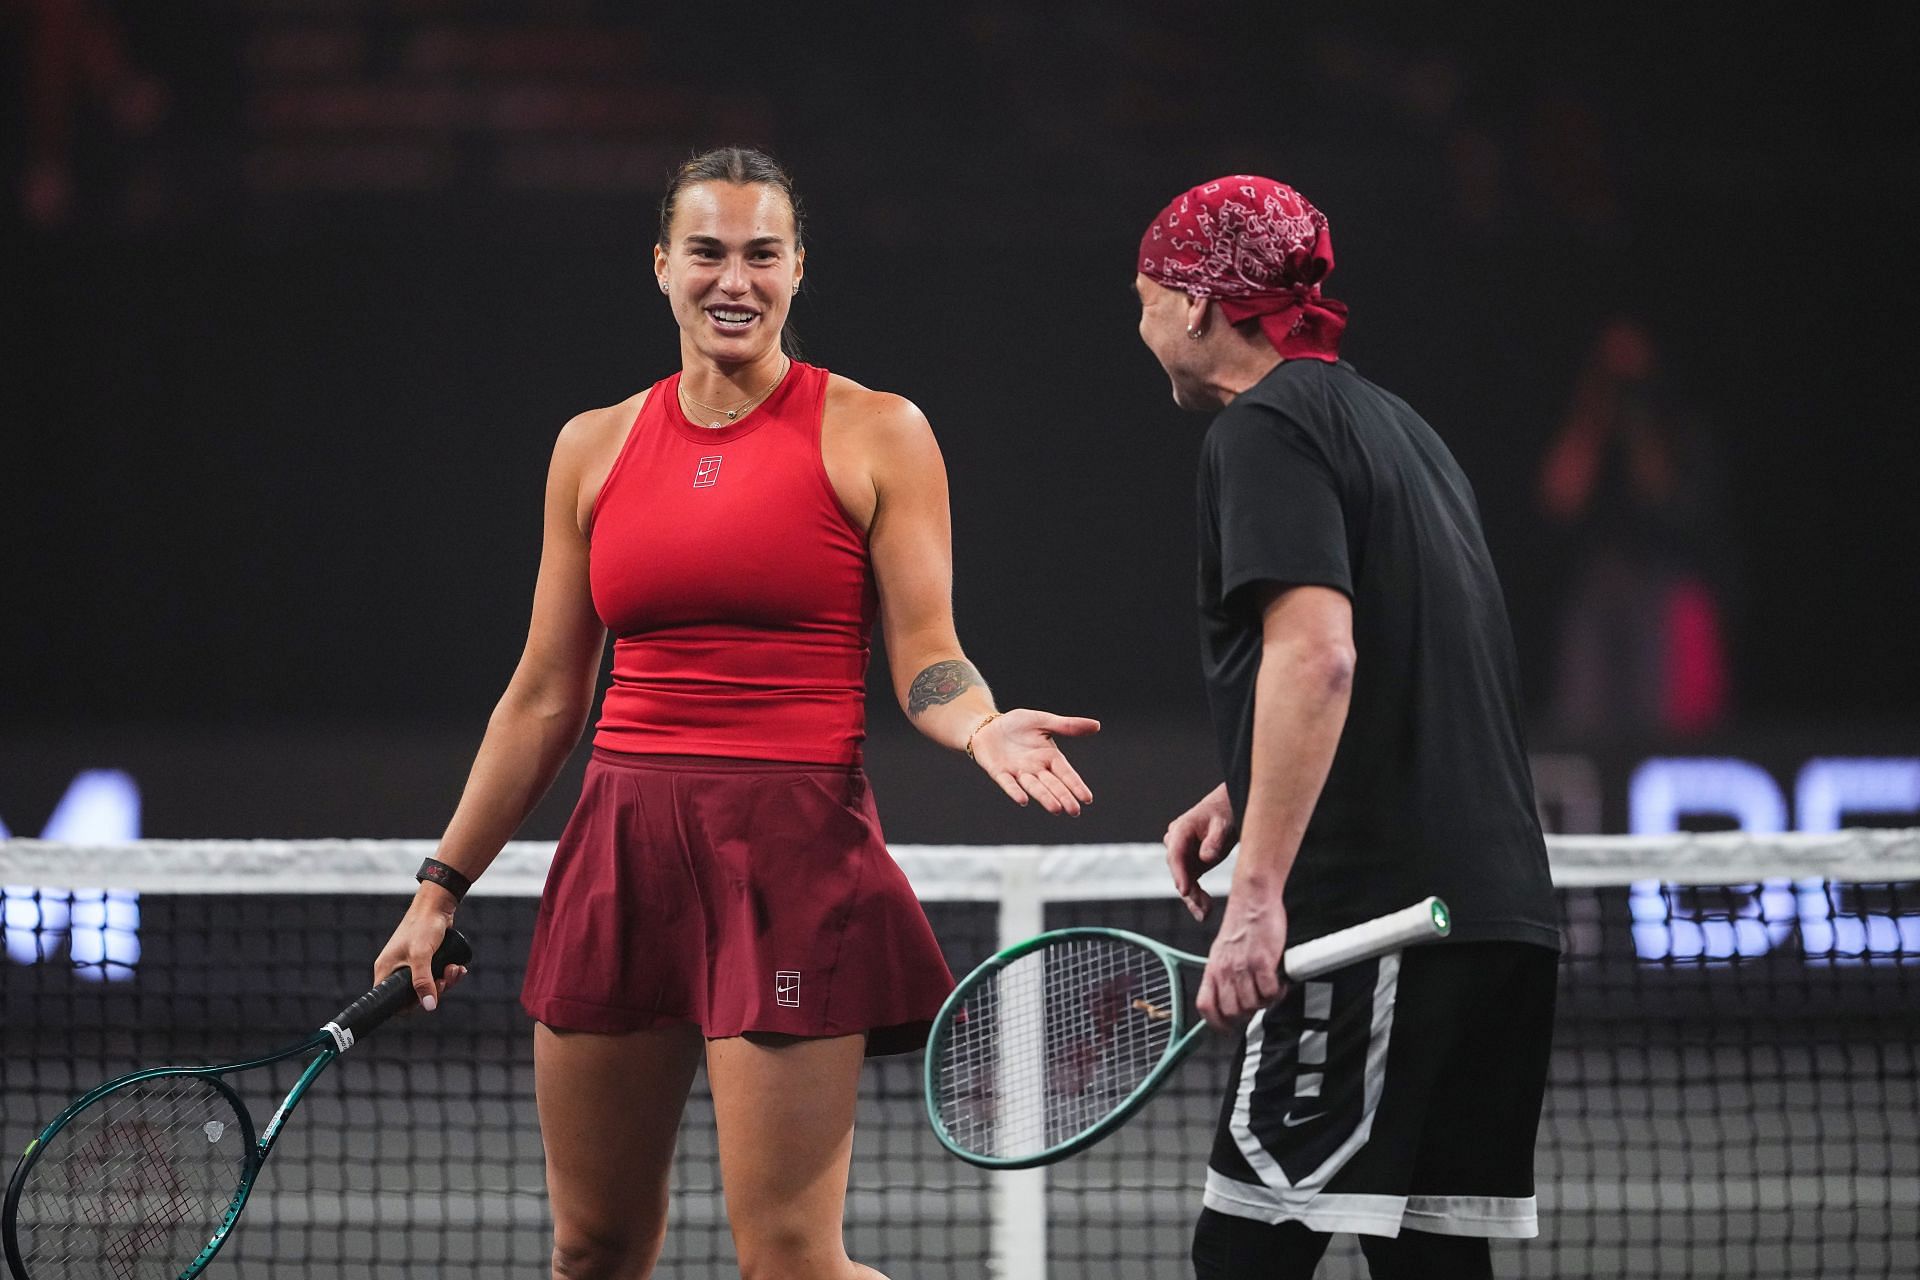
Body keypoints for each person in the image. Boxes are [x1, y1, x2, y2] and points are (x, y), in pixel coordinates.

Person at [373, 146, 1098, 1280]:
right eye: (707, 251)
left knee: (791, 1261)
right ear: (661, 266)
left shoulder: (879, 431)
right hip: (620, 854)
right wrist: (437, 888)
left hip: (791, 860)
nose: (735, 278)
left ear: (799, 269)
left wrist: (980, 722)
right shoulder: (591, 446)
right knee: (593, 1246)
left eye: (763, 253)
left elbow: (928, 655)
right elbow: (545, 695)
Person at [1132, 175, 1561, 1279]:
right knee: (1431, 1266)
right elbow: (1424, 665)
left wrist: (1259, 897)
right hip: (1497, 924)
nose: (1139, 327)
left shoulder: (1260, 429)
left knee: (1243, 1258)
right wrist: (1245, 784)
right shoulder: (1398, 427)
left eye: (1141, 299)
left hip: (1369, 924)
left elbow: (1321, 654)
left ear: (1194, 302)